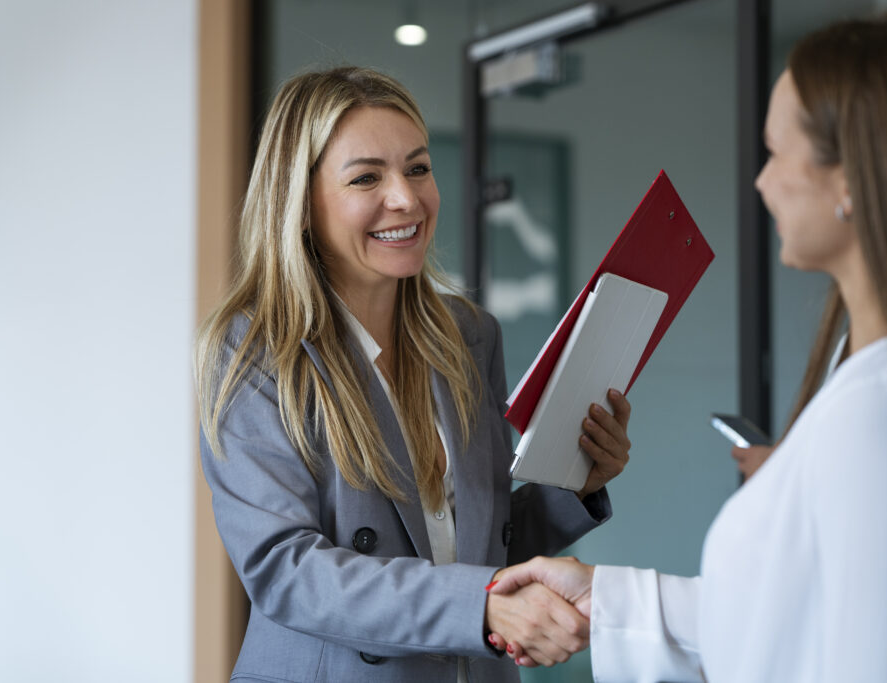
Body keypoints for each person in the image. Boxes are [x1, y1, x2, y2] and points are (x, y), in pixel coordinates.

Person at [488, 13, 887, 682]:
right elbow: (779, 617)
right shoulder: (861, 381)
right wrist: (606, 597)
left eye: (775, 154)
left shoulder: (880, 412)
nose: (761, 182)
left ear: (850, 176)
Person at [193, 66, 635, 682]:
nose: (405, 198)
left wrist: (574, 486)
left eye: (418, 168)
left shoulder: (469, 335)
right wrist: (479, 608)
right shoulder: (254, 352)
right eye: (366, 177)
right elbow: (286, 571)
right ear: (300, 202)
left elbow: (478, 544)